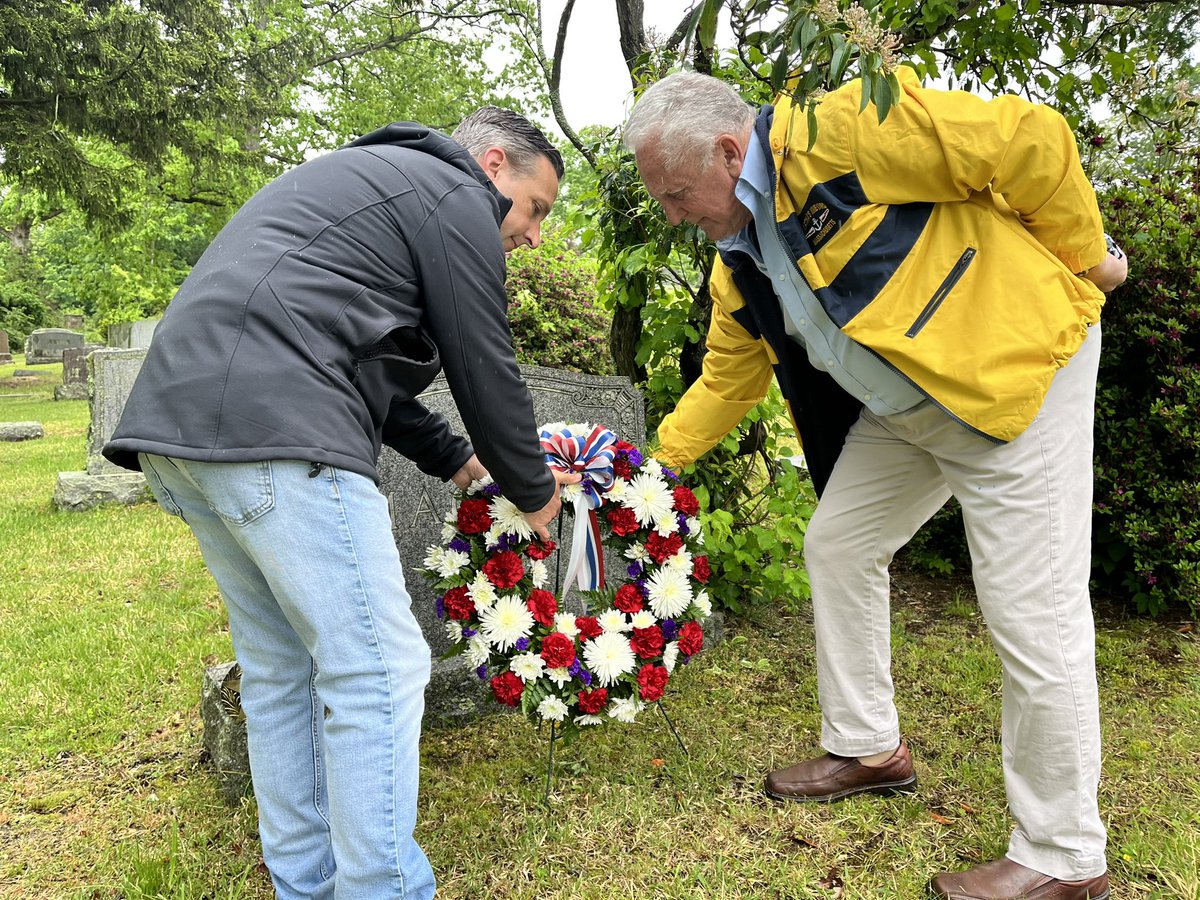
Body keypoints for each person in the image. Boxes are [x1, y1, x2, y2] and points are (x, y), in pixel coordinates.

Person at [623, 70, 1126, 899]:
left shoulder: (839, 130)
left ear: (726, 149)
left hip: (1012, 379)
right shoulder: (736, 262)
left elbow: (1030, 140)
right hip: (909, 409)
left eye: (677, 194)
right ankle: (867, 749)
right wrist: (646, 473)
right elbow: (725, 380)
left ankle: (1064, 854)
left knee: (1032, 609)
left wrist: (1087, 263)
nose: (675, 216)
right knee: (840, 545)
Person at [104, 106, 580, 899]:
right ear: (494, 165)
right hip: (277, 427)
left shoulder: (370, 187)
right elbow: (482, 356)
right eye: (536, 208)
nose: (533, 235)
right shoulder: (453, 190)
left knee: (280, 669)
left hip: (185, 433)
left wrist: (459, 461)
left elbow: (348, 358)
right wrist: (533, 490)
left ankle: (308, 884)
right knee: (378, 668)